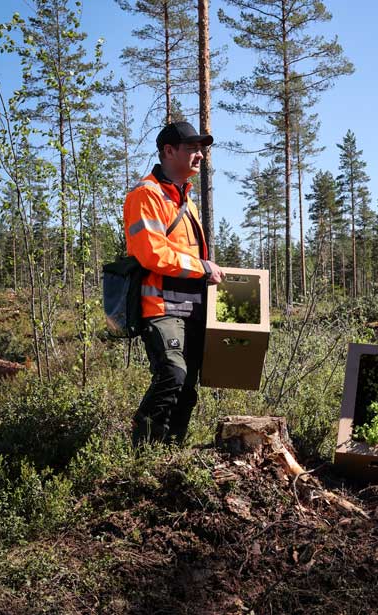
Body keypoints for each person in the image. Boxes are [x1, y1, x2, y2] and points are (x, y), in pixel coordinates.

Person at [124, 121, 224, 447]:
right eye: (192, 147)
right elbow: (152, 253)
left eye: (201, 149)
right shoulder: (145, 195)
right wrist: (201, 267)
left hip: (192, 309)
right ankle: (142, 456)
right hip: (161, 307)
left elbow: (189, 258)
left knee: (187, 388)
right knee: (172, 374)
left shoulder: (187, 201)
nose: (200, 154)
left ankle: (170, 456)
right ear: (169, 151)